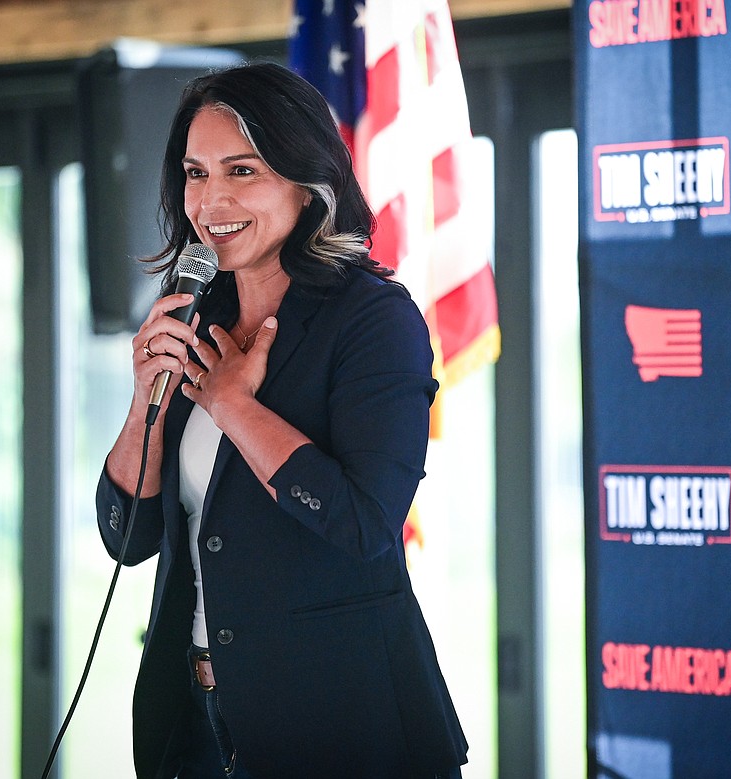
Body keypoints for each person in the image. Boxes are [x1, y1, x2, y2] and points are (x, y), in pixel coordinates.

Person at [96, 61, 468, 779]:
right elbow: (129, 537)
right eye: (195, 173)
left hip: (344, 728)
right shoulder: (194, 315)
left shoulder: (374, 320)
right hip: (196, 729)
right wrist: (146, 402)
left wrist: (235, 406)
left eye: (242, 170)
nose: (210, 200)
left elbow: (365, 523)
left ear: (307, 181)